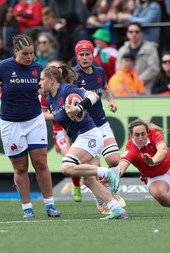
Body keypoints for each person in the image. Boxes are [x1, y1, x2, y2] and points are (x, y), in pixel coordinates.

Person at [0, 34, 61, 219]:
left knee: (41, 163)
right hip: (11, 123)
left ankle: (50, 205)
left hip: (35, 120)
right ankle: (27, 208)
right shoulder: (3, 67)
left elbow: (45, 91)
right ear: (16, 52)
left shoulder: (37, 68)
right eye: (25, 53)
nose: (29, 57)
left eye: (32, 53)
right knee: (20, 168)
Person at [39, 65, 128, 220]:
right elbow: (62, 123)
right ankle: (117, 209)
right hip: (81, 138)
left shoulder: (67, 90)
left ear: (52, 80)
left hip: (90, 135)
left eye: (41, 79)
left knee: (67, 167)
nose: (39, 83)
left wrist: (79, 107)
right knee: (88, 180)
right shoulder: (50, 100)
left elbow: (94, 96)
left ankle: (109, 173)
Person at [73, 40, 126, 214]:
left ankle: (110, 191)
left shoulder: (99, 71)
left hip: (101, 123)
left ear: (93, 55)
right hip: (86, 129)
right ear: (77, 56)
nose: (85, 57)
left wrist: (110, 100)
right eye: (81, 54)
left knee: (114, 161)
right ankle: (101, 200)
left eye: (87, 53)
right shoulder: (73, 75)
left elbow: (104, 87)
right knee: (93, 169)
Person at [39, 59, 82, 202]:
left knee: (86, 159)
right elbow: (43, 114)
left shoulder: (69, 89)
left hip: (76, 128)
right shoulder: (45, 94)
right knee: (71, 158)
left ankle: (100, 186)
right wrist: (58, 115)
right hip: (59, 130)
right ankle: (76, 184)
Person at [116, 22, 160, 92]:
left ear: (141, 33)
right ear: (127, 34)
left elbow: (153, 69)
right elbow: (118, 69)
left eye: (137, 32)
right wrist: (129, 82)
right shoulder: (122, 50)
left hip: (145, 89)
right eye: (131, 32)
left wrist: (136, 82)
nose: (134, 34)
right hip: (126, 90)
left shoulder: (151, 49)